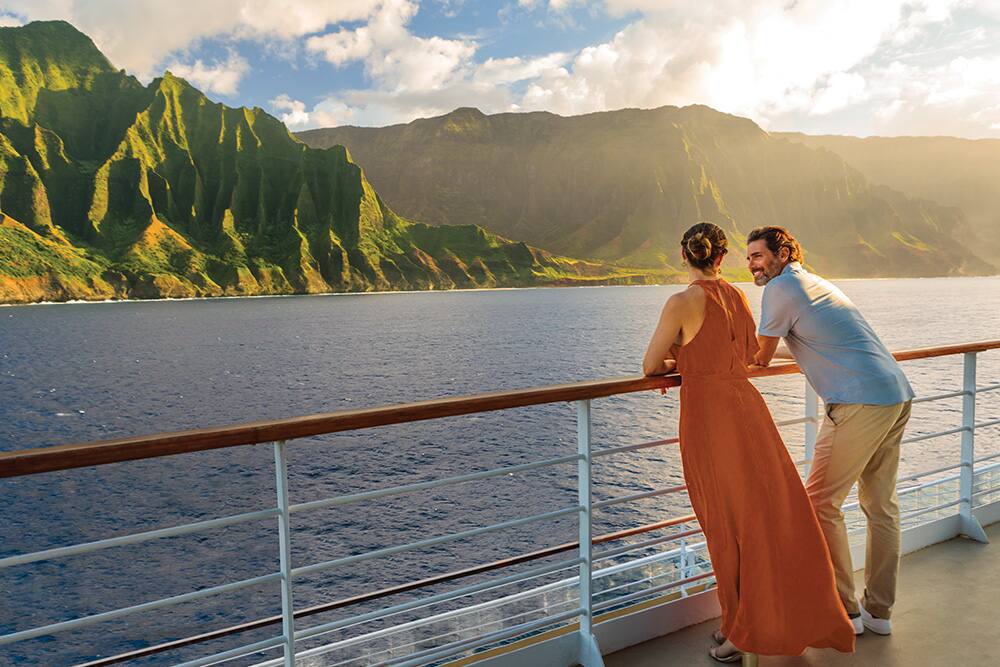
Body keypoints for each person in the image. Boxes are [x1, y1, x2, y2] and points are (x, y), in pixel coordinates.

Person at [643, 222, 855, 663]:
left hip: (708, 420)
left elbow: (649, 365)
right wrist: (694, 357)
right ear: (721, 258)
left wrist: (680, 361)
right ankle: (749, 623)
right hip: (748, 412)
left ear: (683, 255)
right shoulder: (737, 296)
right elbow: (743, 355)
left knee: (725, 527)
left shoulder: (680, 302)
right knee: (766, 517)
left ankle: (741, 632)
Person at [746, 226, 914, 637]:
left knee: (820, 503)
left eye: (758, 255)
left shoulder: (780, 289)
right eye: (748, 257)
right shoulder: (813, 283)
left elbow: (759, 358)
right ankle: (879, 613)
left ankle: (845, 612)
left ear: (783, 254)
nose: (752, 264)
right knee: (881, 506)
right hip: (895, 393)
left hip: (859, 402)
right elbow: (807, 343)